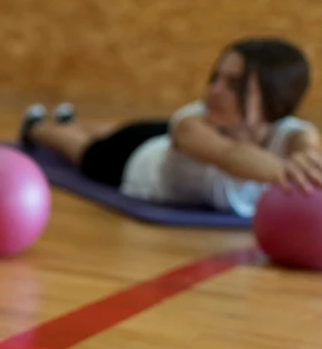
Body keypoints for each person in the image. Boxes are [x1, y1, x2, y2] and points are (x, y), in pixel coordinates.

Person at [20, 37, 322, 216]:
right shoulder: (191, 124)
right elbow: (230, 156)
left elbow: (305, 143)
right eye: (216, 78)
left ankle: (71, 121)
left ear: (276, 96)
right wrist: (286, 170)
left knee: (113, 129)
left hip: (164, 144)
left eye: (234, 85)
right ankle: (38, 127)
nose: (215, 90)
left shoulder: (294, 133)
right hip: (132, 160)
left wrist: (303, 160)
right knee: (83, 149)